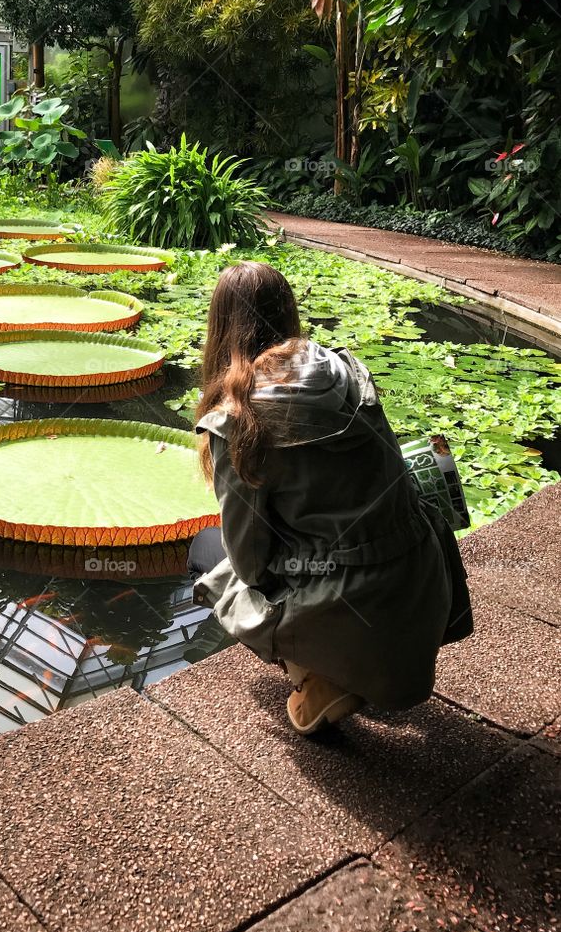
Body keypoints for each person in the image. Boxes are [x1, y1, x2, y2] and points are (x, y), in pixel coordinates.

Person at [188, 261, 473, 736]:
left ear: (219, 329)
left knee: (206, 549)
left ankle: (318, 676)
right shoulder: (349, 371)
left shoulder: (237, 419)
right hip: (423, 576)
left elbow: (251, 562)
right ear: (288, 312)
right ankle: (352, 657)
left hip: (348, 595)